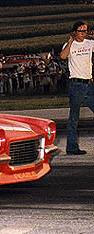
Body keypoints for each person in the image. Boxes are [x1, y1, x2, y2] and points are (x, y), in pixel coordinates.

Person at [60, 21, 94, 155]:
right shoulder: (70, 45)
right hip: (76, 85)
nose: (83, 33)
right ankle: (72, 147)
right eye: (81, 31)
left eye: (85, 30)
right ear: (74, 32)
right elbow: (63, 56)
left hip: (89, 85)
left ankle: (72, 147)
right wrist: (70, 41)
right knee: (74, 118)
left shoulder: (90, 44)